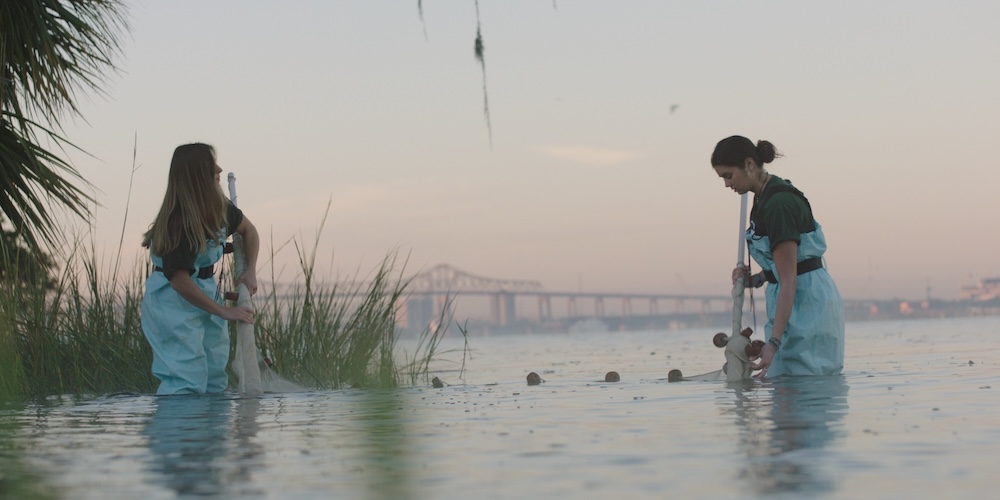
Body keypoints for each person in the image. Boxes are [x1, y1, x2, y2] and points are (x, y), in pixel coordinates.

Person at [711, 135, 844, 377]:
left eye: (728, 176)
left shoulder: (779, 204)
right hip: (789, 296)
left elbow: (790, 278)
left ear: (750, 165)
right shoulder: (762, 198)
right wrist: (759, 278)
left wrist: (772, 343)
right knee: (782, 394)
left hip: (806, 303)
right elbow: (785, 265)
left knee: (803, 388)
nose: (727, 184)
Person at [141, 143, 260, 395]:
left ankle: (211, 433)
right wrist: (224, 312)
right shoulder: (178, 223)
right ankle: (180, 432)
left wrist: (250, 270)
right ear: (195, 175)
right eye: (211, 165)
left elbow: (249, 231)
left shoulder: (219, 206)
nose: (219, 169)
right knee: (186, 381)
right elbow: (180, 281)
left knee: (215, 377)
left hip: (205, 290)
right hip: (172, 301)